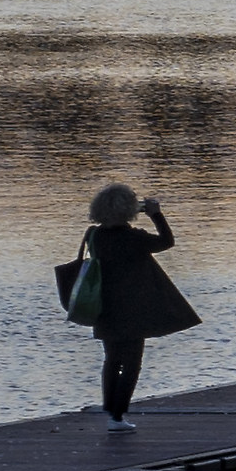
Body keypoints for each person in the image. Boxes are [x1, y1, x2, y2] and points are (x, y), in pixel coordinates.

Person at [82, 183, 200, 430]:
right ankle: (117, 416)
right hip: (133, 308)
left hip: (104, 306)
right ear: (128, 209)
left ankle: (110, 409)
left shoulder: (94, 235)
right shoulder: (134, 238)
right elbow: (167, 241)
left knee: (112, 359)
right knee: (133, 362)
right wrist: (156, 214)